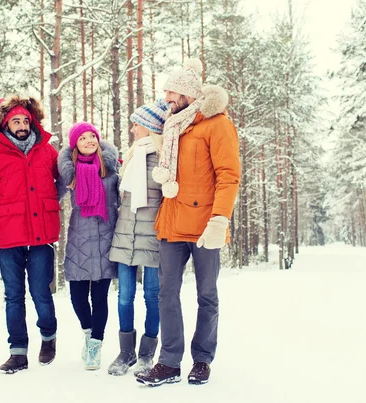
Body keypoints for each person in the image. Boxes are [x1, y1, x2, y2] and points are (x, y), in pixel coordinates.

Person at [135, 59, 241, 386]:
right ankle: (168, 362)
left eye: (171, 90)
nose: (166, 95)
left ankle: (202, 359)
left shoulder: (216, 124)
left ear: (188, 93)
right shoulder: (172, 125)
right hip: (171, 223)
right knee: (166, 294)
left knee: (206, 294)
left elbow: (229, 175)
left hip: (205, 225)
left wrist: (219, 219)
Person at [0, 96, 61, 374]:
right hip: (10, 238)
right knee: (14, 296)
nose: (22, 125)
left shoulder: (47, 152)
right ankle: (18, 352)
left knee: (40, 293)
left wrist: (97, 164)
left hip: (41, 237)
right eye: (16, 121)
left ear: (32, 121)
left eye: (25, 120)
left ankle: (48, 337)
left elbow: (70, 174)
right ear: (5, 124)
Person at [107, 99, 170, 376]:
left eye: (136, 124)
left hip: (153, 236)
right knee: (124, 296)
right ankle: (125, 353)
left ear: (149, 127)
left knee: (152, 296)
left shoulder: (164, 159)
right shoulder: (131, 158)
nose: (132, 129)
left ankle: (147, 354)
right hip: (125, 234)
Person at [57, 122, 120, 370]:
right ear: (75, 145)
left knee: (100, 297)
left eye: (92, 136)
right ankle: (87, 332)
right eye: (82, 138)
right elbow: (51, 196)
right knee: (77, 297)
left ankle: (95, 344)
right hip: (79, 241)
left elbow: (125, 196)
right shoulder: (68, 175)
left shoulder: (111, 169)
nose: (88, 140)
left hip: (106, 237)